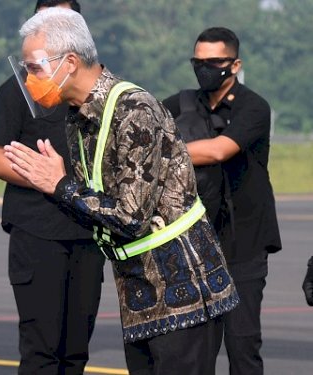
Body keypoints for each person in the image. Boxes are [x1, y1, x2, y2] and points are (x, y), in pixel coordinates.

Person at [3, 8, 239, 375]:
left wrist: (60, 186)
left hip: (184, 294)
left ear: (69, 62)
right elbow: (94, 207)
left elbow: (130, 216)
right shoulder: (78, 118)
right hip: (139, 293)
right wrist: (56, 188)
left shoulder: (133, 109)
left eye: (34, 68)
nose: (30, 80)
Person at [0, 1, 105, 374]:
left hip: (87, 229)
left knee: (76, 350)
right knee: (41, 350)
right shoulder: (19, 89)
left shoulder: (100, 93)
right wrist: (48, 180)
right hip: (37, 231)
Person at [163, 27, 283, 375]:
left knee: (242, 346)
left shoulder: (253, 107)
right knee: (195, 351)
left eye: (214, 62)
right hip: (195, 243)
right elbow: (148, 125)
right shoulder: (183, 103)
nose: (205, 69)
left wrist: (162, 153)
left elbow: (219, 150)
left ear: (235, 64)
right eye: (198, 62)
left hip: (243, 243)